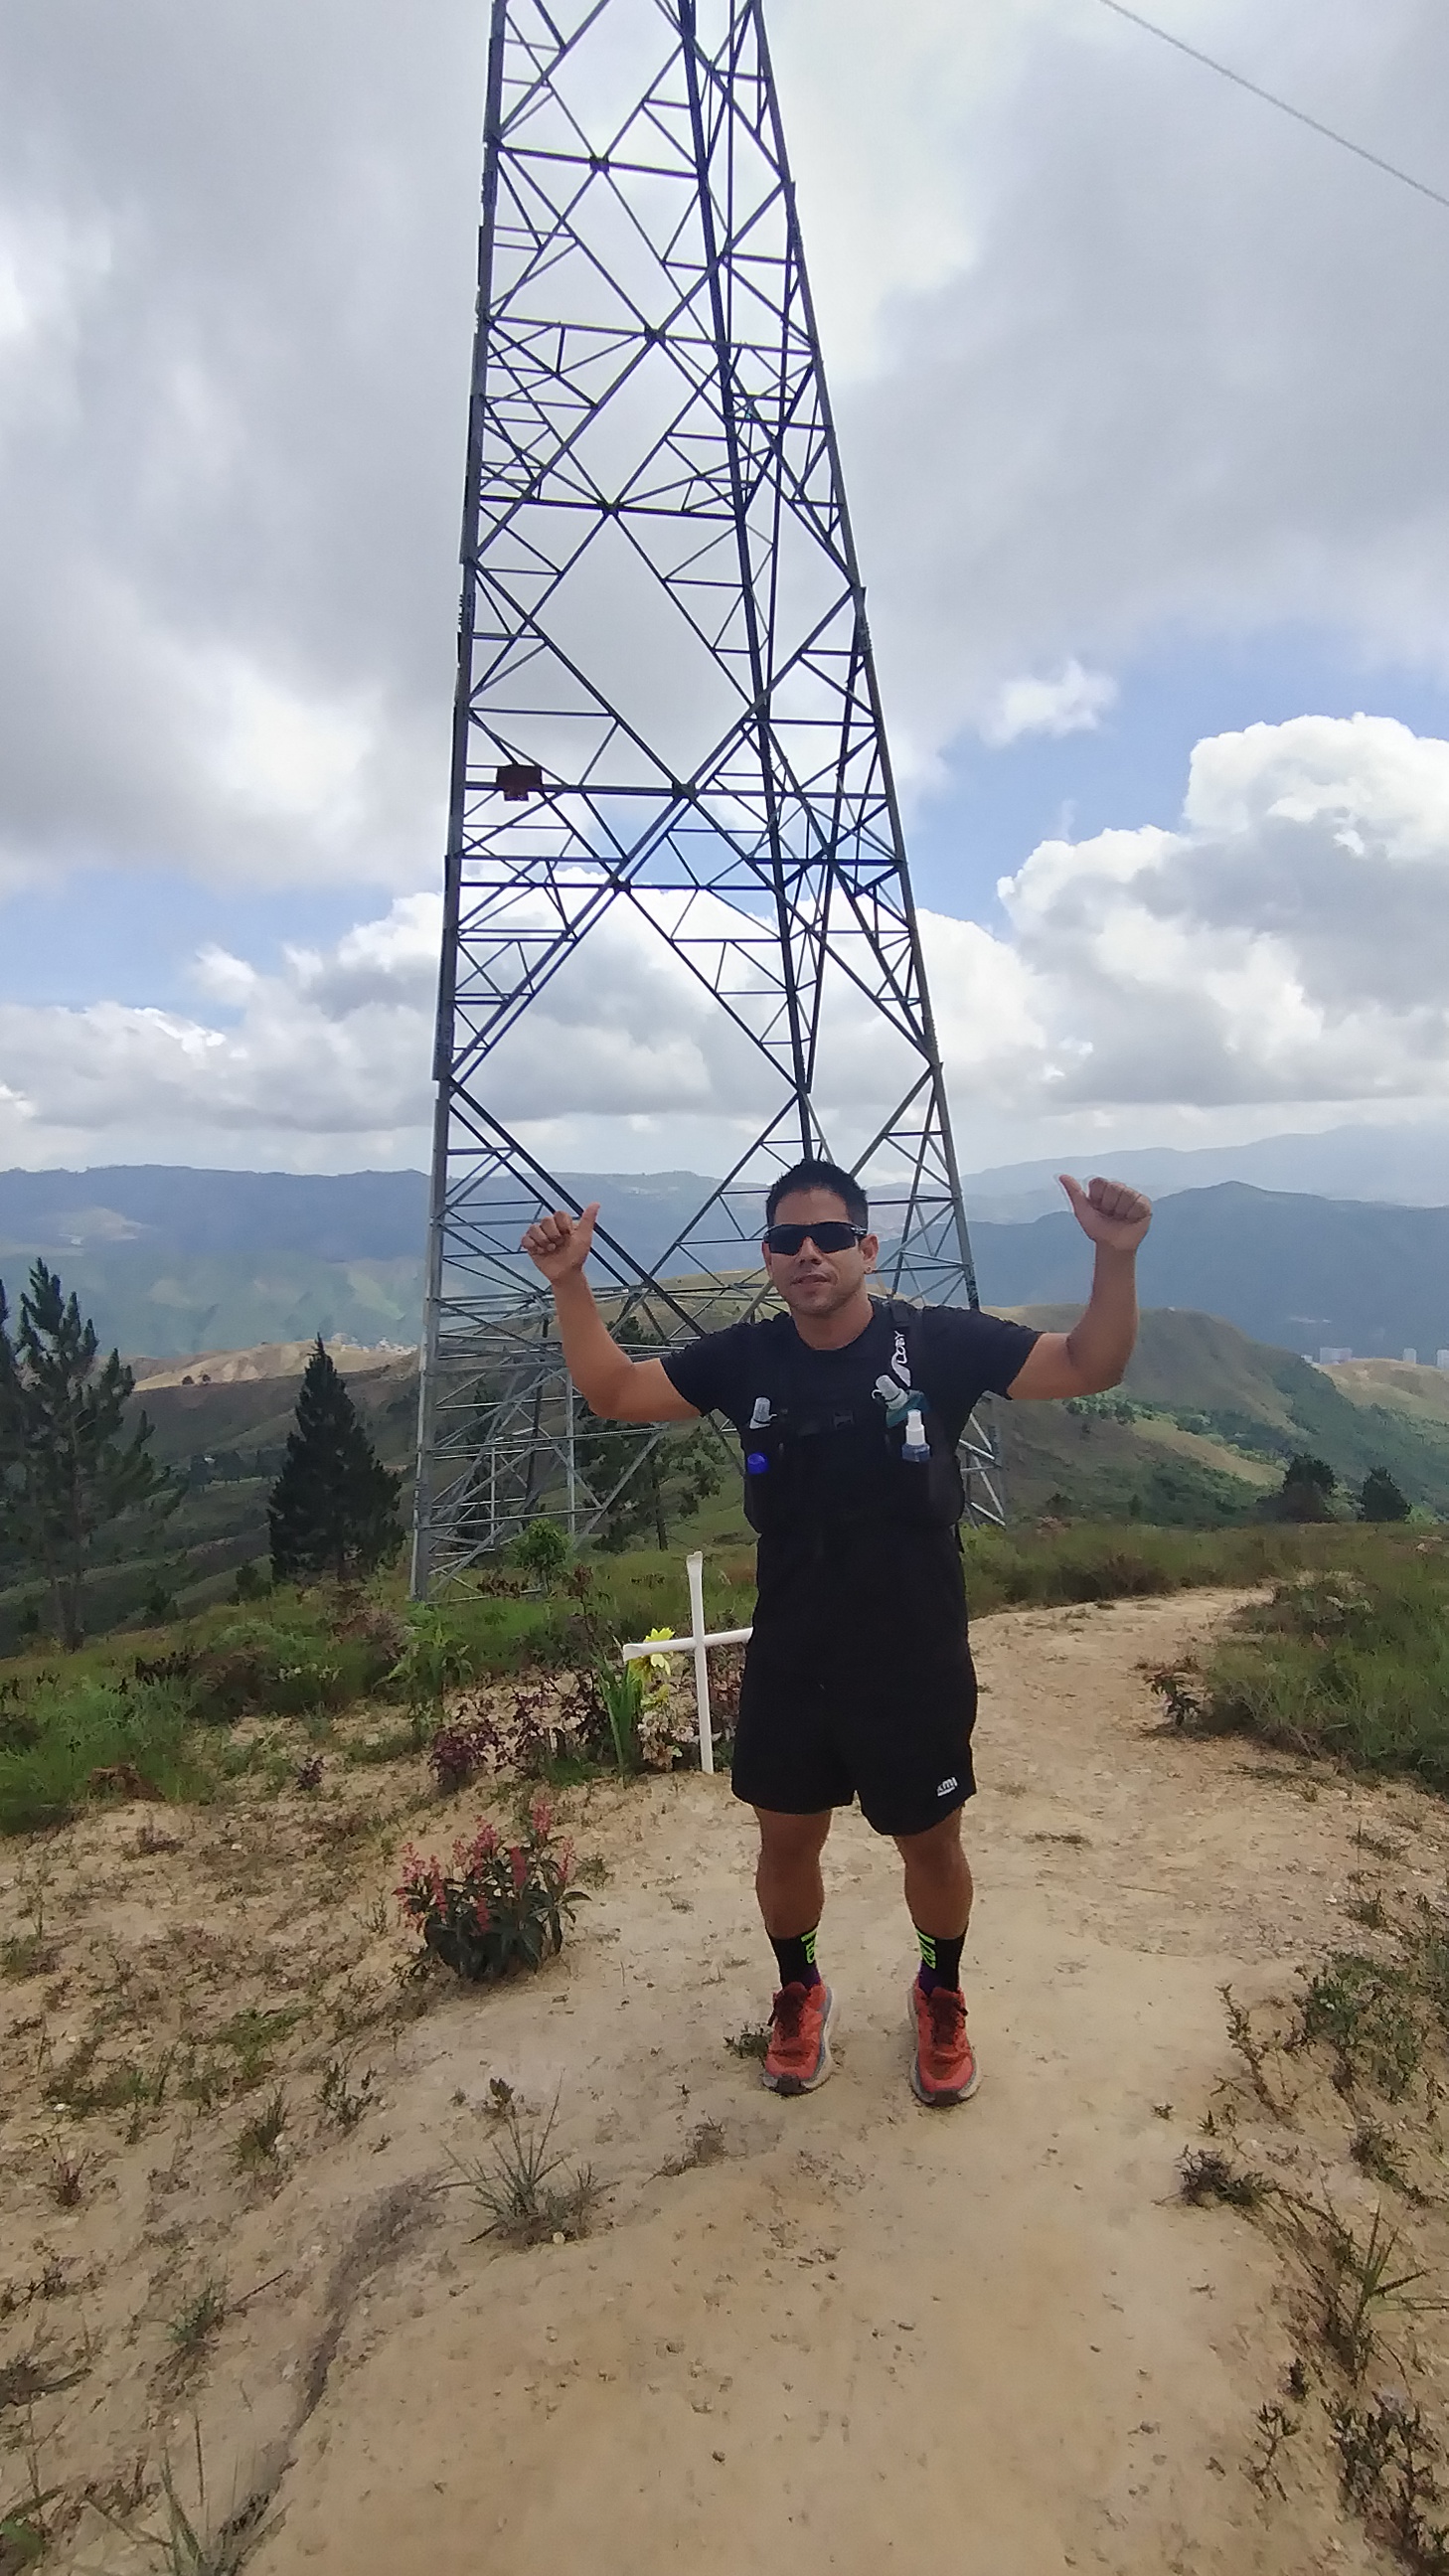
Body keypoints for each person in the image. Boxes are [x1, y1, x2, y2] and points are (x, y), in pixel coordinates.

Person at [522, 1159, 1152, 2108]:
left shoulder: (935, 1344)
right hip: (794, 1654)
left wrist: (1116, 1257)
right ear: (770, 1257)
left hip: (914, 1654)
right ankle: (798, 1989)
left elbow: (1090, 1365)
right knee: (785, 1843)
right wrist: (570, 1281)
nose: (808, 1253)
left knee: (931, 1846)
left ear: (868, 1246)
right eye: (787, 1240)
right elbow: (613, 1390)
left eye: (829, 1237)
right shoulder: (747, 1359)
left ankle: (940, 1991)